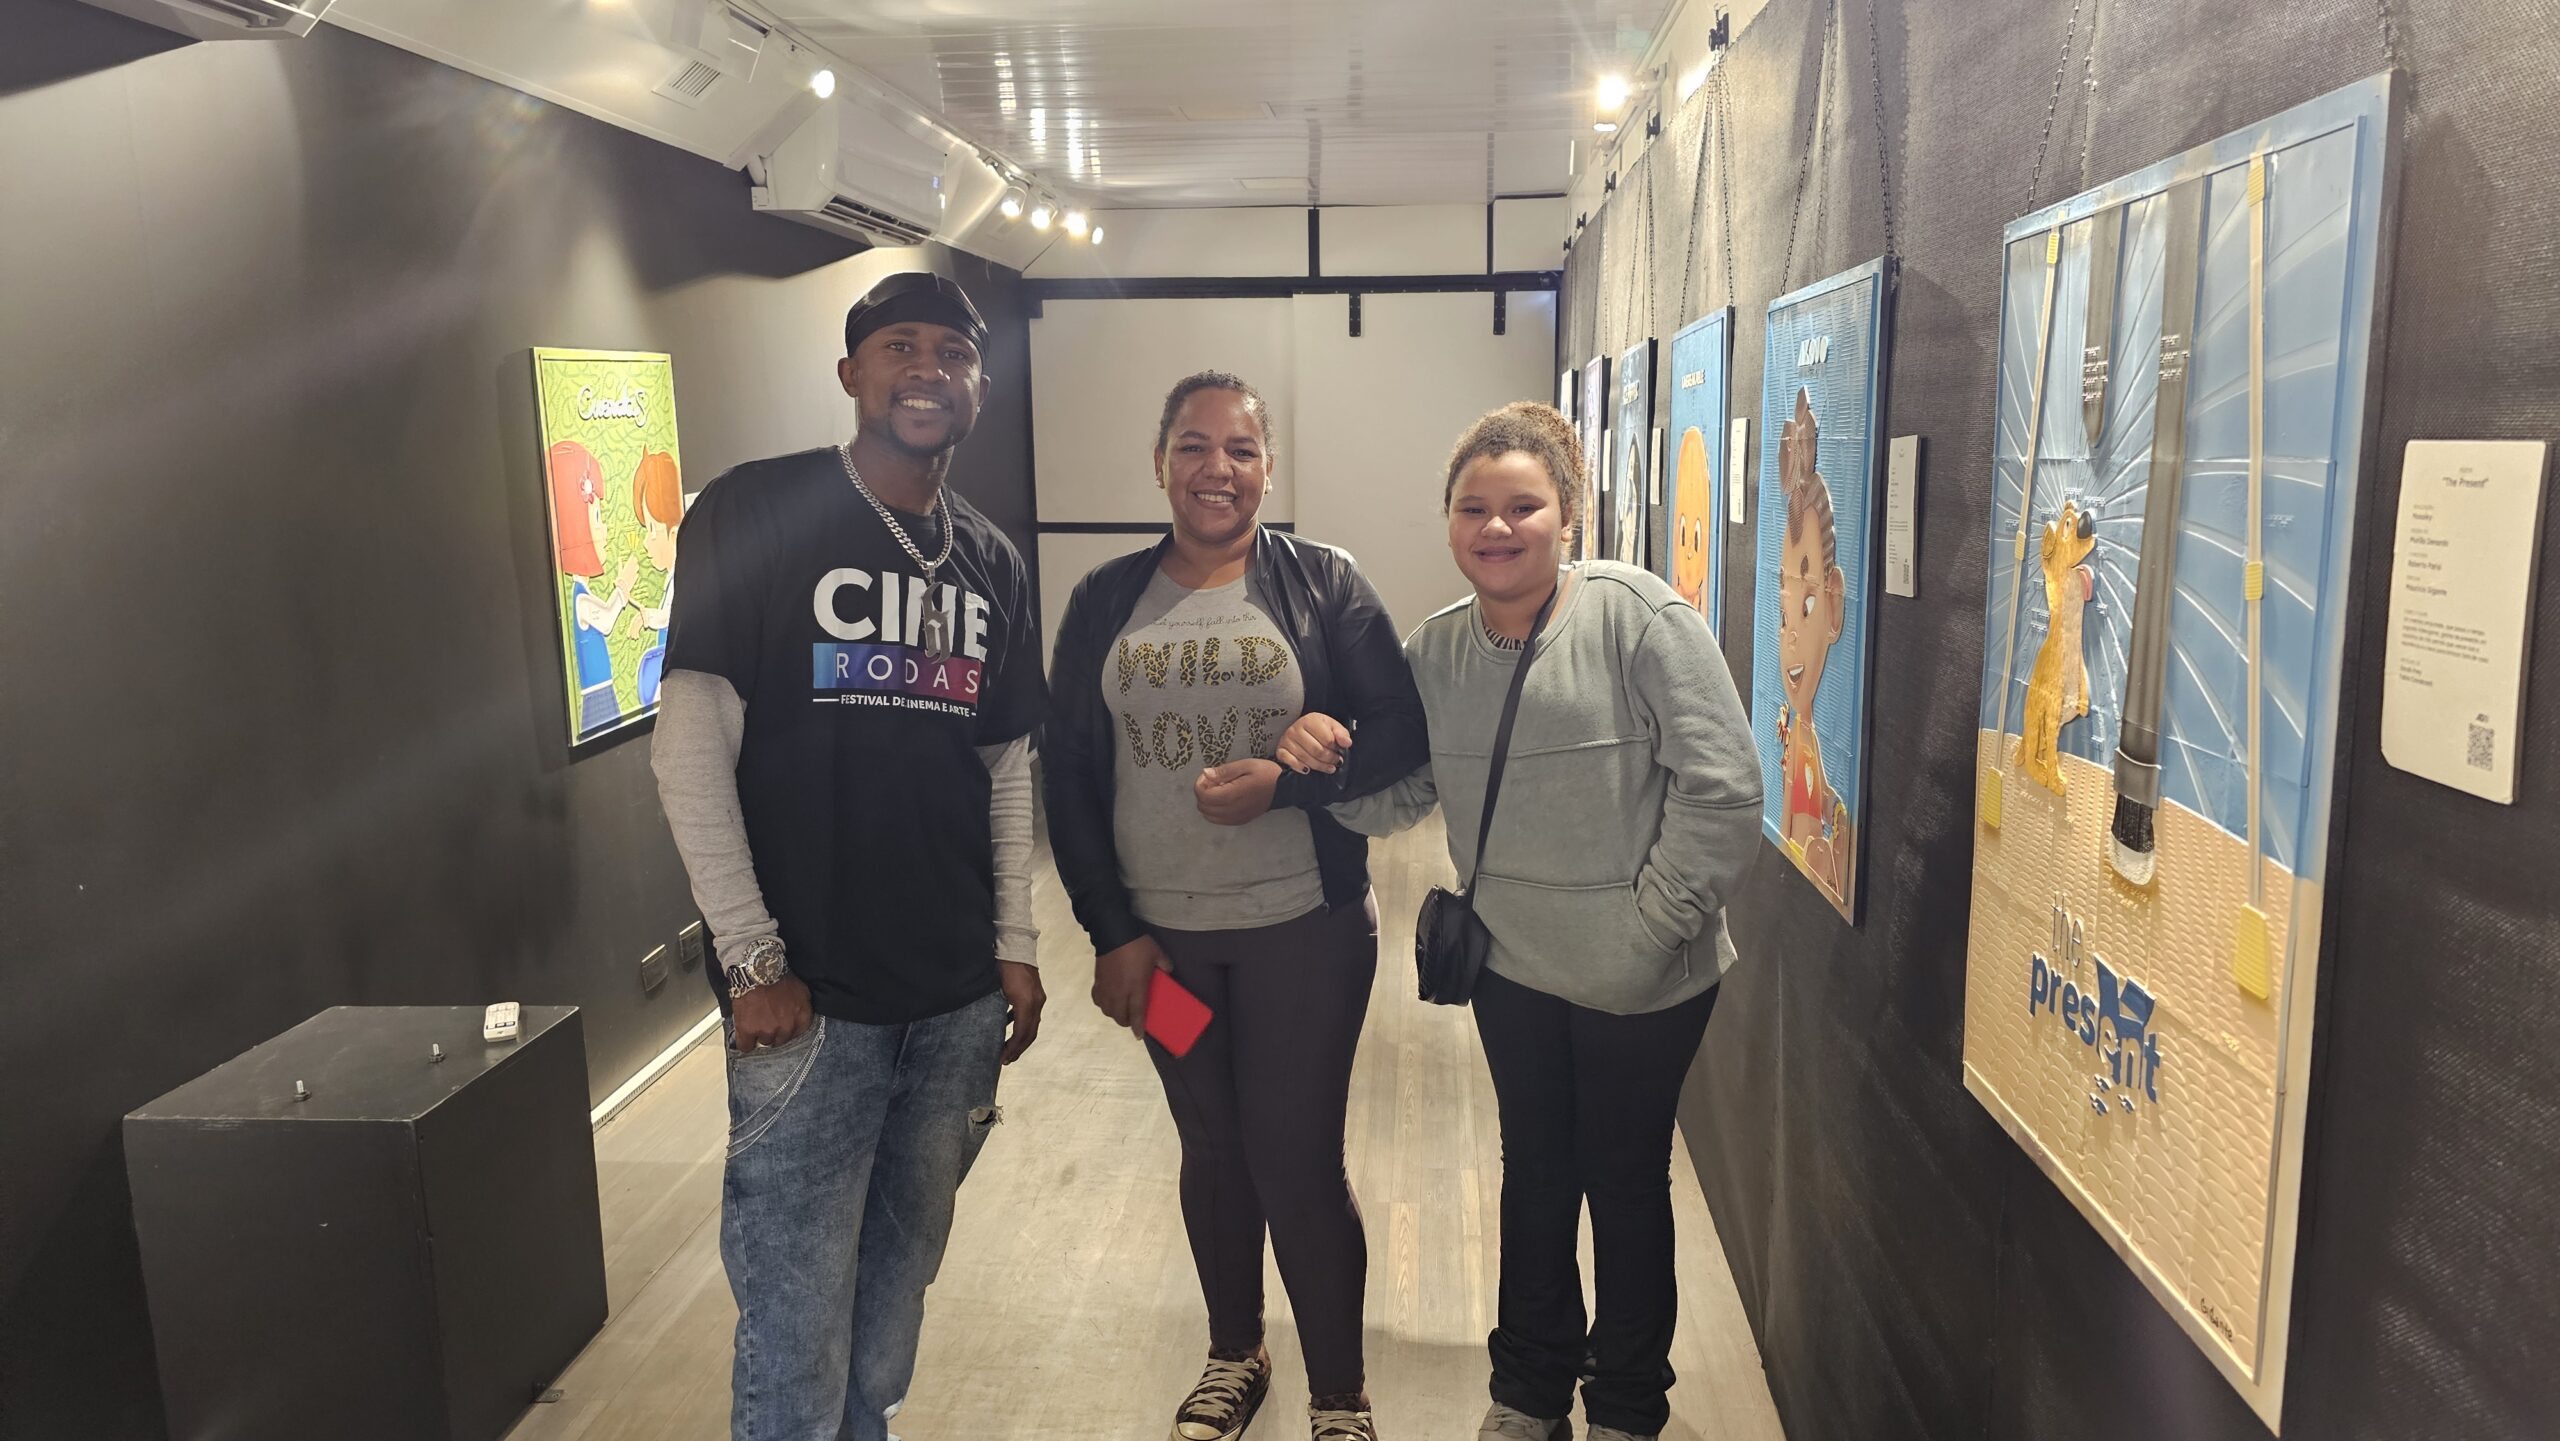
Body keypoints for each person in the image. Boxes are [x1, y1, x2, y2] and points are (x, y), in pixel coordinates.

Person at [1274, 401, 1761, 1441]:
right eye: (1473, 508)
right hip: (1511, 970)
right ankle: (1530, 1389)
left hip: (1647, 980)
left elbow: (1723, 788)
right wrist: (1317, 766)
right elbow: (1406, 793)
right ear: (1450, 521)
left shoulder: (1637, 618)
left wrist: (1650, 930)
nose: (1497, 528)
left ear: (1567, 516)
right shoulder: (1435, 651)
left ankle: (1626, 1404)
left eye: (1523, 507)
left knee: (1624, 1183)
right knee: (1535, 1173)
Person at [649, 271, 1048, 1441]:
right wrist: (751, 957)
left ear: (978, 387)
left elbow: (1004, 766)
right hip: (811, 1003)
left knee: (890, 1304)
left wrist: (1014, 944)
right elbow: (689, 741)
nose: (927, 370)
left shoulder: (991, 560)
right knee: (795, 1319)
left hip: (954, 1002)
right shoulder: (755, 510)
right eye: (898, 347)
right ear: (851, 373)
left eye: (951, 354)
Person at [1044, 372, 1427, 1441]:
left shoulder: (1324, 583)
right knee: (1211, 1146)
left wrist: (1302, 770)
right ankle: (1233, 1353)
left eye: (1242, 450)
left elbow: (1402, 731)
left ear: (1268, 467)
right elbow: (1066, 774)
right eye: (1194, 446)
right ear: (1160, 461)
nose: (1218, 469)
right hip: (1165, 953)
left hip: (1303, 939)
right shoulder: (1104, 598)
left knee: (1293, 1156)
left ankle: (1339, 1394)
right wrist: (1112, 933)